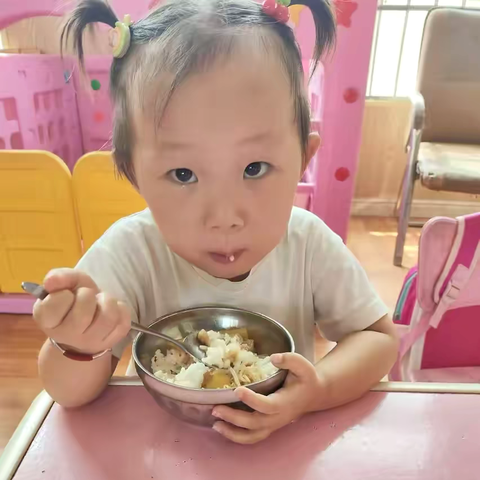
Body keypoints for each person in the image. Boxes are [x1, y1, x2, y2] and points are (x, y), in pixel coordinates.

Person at [33, 0, 398, 444]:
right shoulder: (129, 252)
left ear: (303, 158)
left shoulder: (307, 243)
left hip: (284, 451)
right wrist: (77, 345)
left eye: (255, 168)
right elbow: (66, 394)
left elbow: (377, 341)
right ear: (133, 173)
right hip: (159, 450)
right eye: (183, 174)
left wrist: (316, 390)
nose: (225, 217)